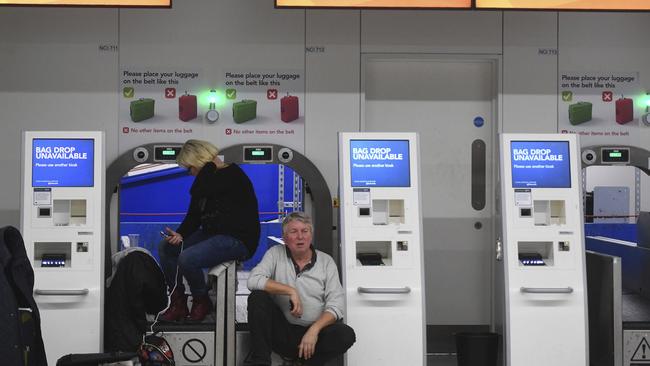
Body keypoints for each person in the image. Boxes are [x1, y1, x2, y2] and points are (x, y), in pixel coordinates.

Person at [159, 139, 260, 322]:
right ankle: (178, 302)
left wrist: (208, 167)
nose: (190, 173)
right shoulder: (205, 181)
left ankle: (201, 300)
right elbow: (194, 216)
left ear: (199, 162)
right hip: (213, 234)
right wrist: (180, 234)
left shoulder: (231, 174)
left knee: (187, 258)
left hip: (238, 239)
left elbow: (197, 189)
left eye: (190, 168)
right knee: (167, 249)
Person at [246, 212, 355, 366]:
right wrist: (291, 291)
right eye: (293, 231)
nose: (300, 237)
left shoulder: (326, 262)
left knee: (345, 335)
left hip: (314, 335)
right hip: (283, 331)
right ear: (284, 238)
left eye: (305, 231)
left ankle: (305, 363)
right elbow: (253, 280)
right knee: (257, 298)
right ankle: (260, 362)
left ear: (311, 236)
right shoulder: (275, 254)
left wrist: (314, 330)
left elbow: (336, 307)